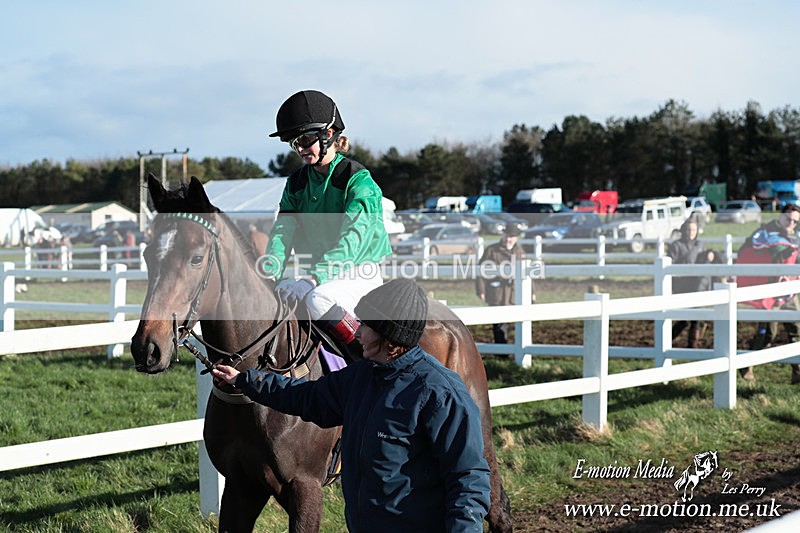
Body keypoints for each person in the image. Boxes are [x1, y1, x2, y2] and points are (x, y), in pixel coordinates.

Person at [212, 279, 491, 532]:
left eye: (365, 325)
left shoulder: (440, 393)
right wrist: (246, 380)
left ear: (388, 336)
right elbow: (305, 396)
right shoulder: (360, 377)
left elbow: (468, 478)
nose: (356, 333)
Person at [261, 90, 392, 360]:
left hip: (358, 272)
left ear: (329, 133)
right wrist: (270, 272)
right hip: (318, 275)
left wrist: (313, 278)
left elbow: (352, 242)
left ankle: (367, 368)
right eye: (294, 143)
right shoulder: (296, 182)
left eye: (306, 140)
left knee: (317, 300)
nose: (300, 149)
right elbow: (283, 232)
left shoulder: (359, 182)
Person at [741, 204, 800, 383]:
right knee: (768, 334)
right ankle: (745, 364)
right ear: (780, 216)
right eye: (788, 219)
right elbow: (769, 249)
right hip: (771, 290)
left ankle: (797, 373)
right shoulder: (765, 232)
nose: (791, 223)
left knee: (796, 331)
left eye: (795, 221)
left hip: (789, 291)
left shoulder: (795, 236)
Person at [475, 225, 535, 345]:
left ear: (516, 238)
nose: (508, 239)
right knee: (499, 323)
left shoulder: (520, 251)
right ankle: (502, 352)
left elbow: (528, 273)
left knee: (519, 323)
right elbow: (480, 272)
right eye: (507, 235)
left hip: (514, 293)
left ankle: (516, 349)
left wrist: (532, 292)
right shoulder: (491, 250)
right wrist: (481, 289)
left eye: (512, 237)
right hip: (497, 293)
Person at [667, 219, 712, 348]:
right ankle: (666, 339)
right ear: (683, 231)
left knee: (695, 317)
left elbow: (704, 264)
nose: (690, 232)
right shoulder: (676, 246)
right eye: (688, 229)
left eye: (693, 230)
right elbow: (671, 265)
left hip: (696, 286)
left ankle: (693, 344)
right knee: (685, 319)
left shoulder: (700, 245)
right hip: (682, 286)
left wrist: (709, 257)